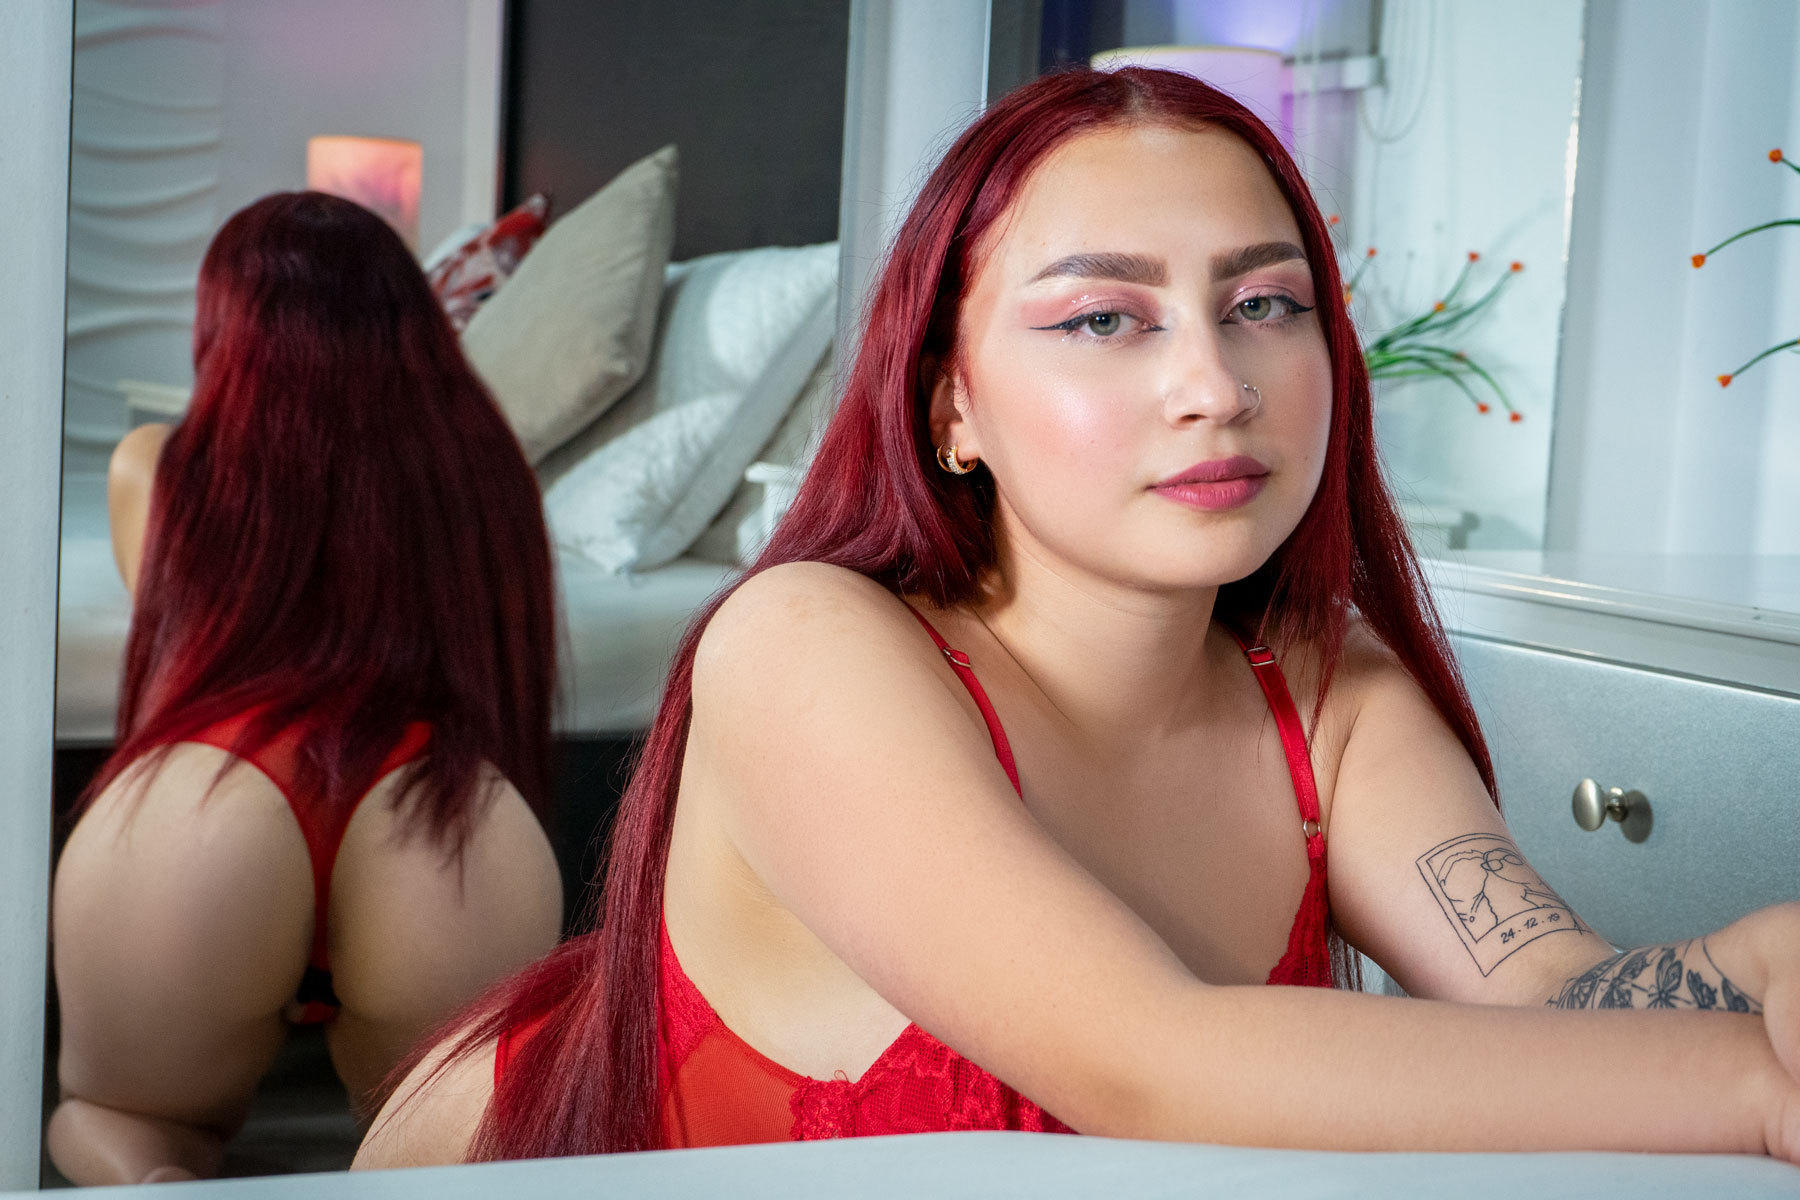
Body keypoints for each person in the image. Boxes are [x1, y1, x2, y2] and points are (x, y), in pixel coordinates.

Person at [358, 67, 1800, 1168]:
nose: (1216, 387)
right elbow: (1152, 1064)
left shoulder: (1322, 686)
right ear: (953, 407)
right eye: (1105, 319)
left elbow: (1552, 995)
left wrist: (1760, 961)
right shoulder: (805, 645)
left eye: (1266, 304)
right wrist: (1755, 1087)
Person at [50, 192, 564, 1185]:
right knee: (446, 1158)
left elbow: (186, 628)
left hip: (210, 805)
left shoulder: (155, 468)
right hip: (441, 810)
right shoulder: (492, 470)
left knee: (117, 1119)